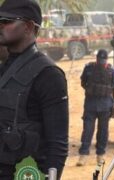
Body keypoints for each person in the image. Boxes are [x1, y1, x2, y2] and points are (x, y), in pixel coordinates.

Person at [0, 0, 69, 179]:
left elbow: (57, 145)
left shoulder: (48, 74)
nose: (0, 26)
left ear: (28, 27)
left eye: (6, 21)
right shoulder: (4, 69)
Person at [76, 49, 114, 166]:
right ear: (96, 59)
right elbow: (83, 82)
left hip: (106, 105)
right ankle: (83, 155)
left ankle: (100, 155)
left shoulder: (112, 71)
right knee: (88, 131)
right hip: (91, 103)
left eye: (103, 60)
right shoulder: (89, 68)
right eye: (100, 60)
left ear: (106, 60)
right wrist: (91, 90)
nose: (101, 62)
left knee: (103, 131)